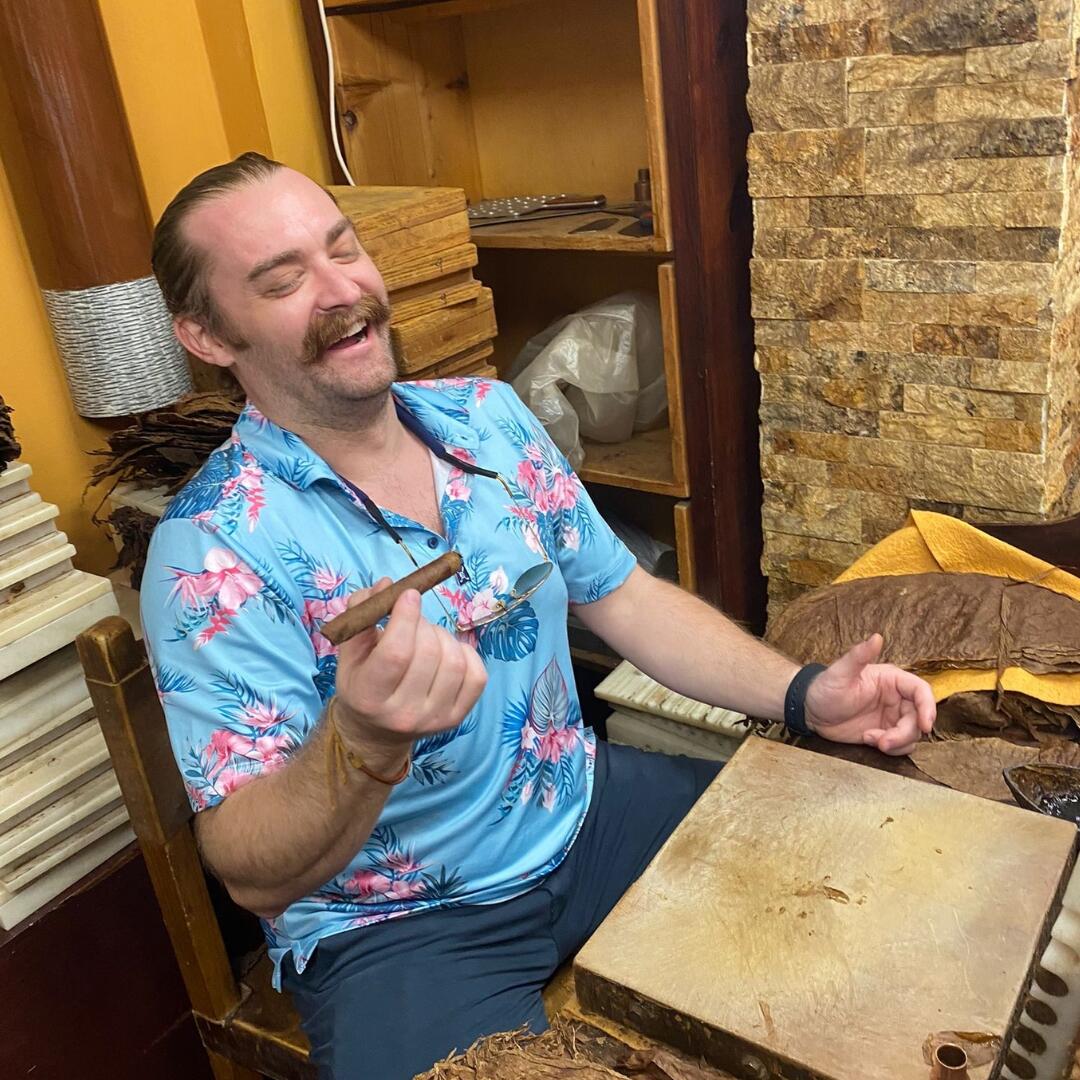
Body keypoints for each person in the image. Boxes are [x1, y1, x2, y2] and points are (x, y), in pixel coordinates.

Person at [141, 152, 936, 1080]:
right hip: (404, 929)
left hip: (589, 813)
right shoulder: (213, 550)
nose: (341, 290)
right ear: (206, 335)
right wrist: (361, 740)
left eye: (342, 248)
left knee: (860, 891)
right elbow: (248, 868)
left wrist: (806, 694)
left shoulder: (489, 419)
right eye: (282, 281)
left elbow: (624, 596)